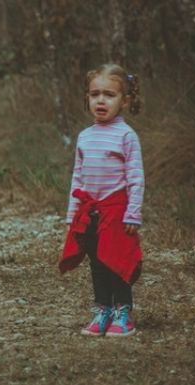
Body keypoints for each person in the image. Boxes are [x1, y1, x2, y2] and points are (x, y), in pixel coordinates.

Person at [59, 63, 144, 337]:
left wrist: (133, 213)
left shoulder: (126, 136)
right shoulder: (85, 137)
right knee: (96, 262)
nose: (101, 100)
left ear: (125, 100)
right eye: (95, 94)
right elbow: (78, 179)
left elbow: (135, 178)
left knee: (116, 260)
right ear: (88, 98)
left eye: (109, 95)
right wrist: (72, 215)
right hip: (90, 211)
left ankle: (123, 312)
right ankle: (103, 309)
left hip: (116, 210)